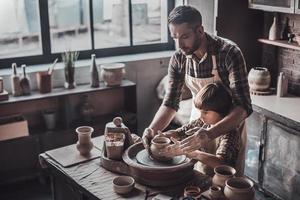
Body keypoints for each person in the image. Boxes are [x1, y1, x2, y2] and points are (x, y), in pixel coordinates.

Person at [142, 5, 252, 176]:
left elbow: (243, 107)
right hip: (200, 119)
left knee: (224, 180)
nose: (179, 44)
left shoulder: (229, 53)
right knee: (195, 179)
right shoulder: (178, 59)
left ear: (200, 31)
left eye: (185, 36)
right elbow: (171, 103)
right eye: (174, 37)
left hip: (228, 126)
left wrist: (209, 134)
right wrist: (152, 130)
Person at [161, 83, 240, 176]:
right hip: (201, 174)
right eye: (200, 111)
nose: (201, 116)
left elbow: (221, 164)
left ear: (222, 110)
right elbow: (180, 132)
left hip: (220, 183)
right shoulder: (202, 122)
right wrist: (165, 136)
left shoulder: (230, 133)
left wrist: (192, 153)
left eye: (205, 112)